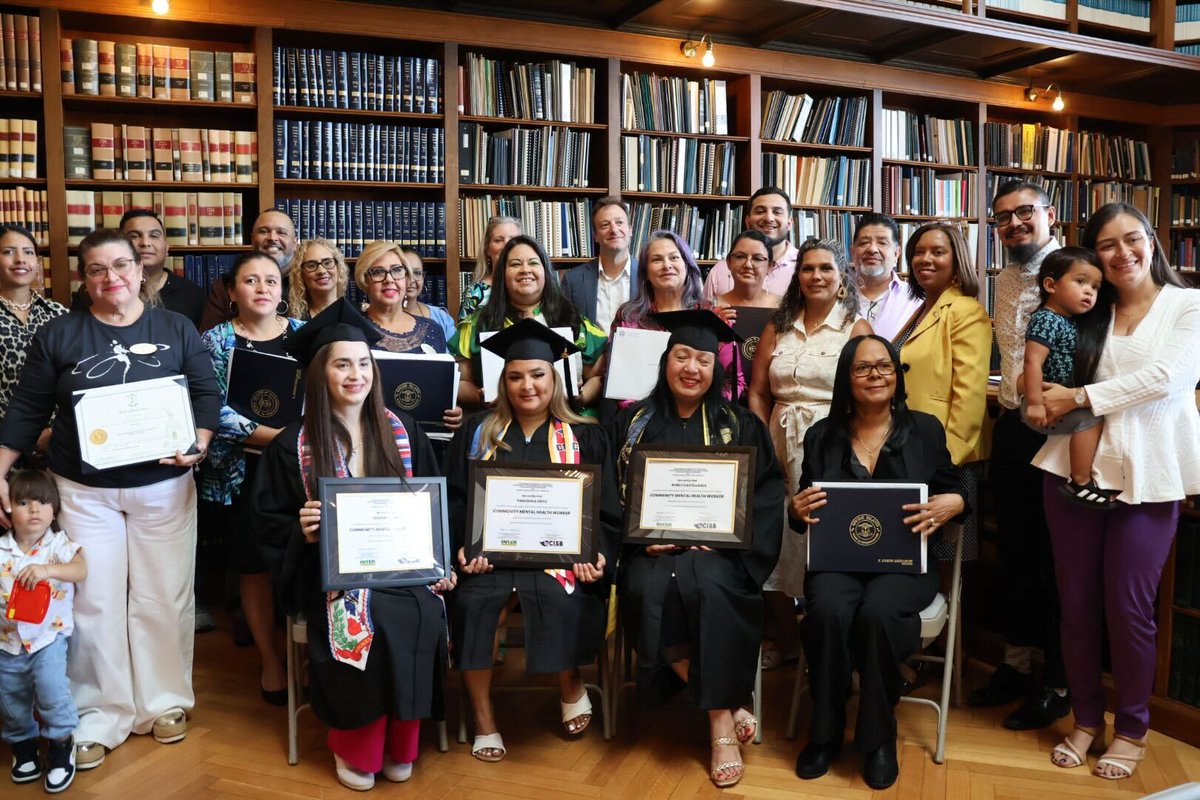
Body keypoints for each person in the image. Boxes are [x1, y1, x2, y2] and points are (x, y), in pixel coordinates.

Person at [0, 228, 220, 770]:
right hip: (83, 490)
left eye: (121, 265)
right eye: (97, 269)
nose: (111, 277)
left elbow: (205, 393)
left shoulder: (176, 327)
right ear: (85, 279)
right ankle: (99, 713)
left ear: (140, 271)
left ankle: (164, 702)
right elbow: (27, 407)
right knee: (92, 599)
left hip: (164, 487)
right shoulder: (59, 334)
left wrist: (198, 445)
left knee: (163, 595)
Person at [250, 300, 451, 791]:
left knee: (420, 609)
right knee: (367, 613)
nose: (355, 375)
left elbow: (434, 508)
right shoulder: (292, 444)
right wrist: (302, 531)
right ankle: (359, 746)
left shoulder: (403, 430)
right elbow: (268, 526)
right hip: (326, 575)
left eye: (363, 363)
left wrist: (440, 561)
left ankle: (402, 741)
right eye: (342, 364)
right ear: (320, 373)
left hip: (403, 568)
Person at [1035, 202, 1200, 781]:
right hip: (1071, 468)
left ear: (1152, 240)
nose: (1122, 253)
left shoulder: (1188, 304)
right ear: (1093, 255)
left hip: (1150, 474)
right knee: (1076, 604)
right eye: (1107, 244)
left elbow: (1169, 378)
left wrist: (1081, 397)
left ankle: (1132, 728)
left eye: (1132, 239)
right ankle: (1085, 719)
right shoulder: (1087, 307)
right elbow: (1046, 366)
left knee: (1130, 609)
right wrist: (1039, 397)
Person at [610, 310, 785, 790]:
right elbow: (610, 499)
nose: (691, 368)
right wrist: (642, 539)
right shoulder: (631, 424)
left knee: (712, 584)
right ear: (665, 361)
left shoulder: (740, 425)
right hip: (650, 554)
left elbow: (766, 496)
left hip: (719, 555)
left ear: (716, 369)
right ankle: (724, 712)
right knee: (648, 590)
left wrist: (728, 539)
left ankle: (717, 719)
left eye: (703, 360)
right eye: (682, 357)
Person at [790, 335, 966, 791]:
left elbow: (955, 486)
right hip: (838, 563)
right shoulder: (821, 436)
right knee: (829, 610)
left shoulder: (925, 429)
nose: (876, 375)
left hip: (903, 565)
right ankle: (825, 731)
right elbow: (804, 506)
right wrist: (797, 508)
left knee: (879, 613)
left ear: (896, 375)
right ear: (846, 378)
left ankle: (877, 736)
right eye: (863, 368)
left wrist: (956, 500)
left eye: (885, 366)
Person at [443, 320, 620, 762]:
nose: (527, 386)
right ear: (502, 382)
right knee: (474, 603)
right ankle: (483, 716)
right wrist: (464, 545)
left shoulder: (585, 435)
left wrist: (597, 552)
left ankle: (570, 681)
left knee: (560, 595)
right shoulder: (478, 432)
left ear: (554, 378)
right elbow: (457, 499)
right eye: (515, 376)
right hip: (491, 560)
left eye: (538, 374)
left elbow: (605, 508)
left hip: (559, 560)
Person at [972, 180, 1069, 730]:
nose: (1013, 223)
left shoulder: (1075, 271)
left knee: (1056, 562)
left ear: (1049, 213)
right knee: (1015, 553)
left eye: (1024, 212)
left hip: (1061, 432)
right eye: (1003, 217)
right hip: (1013, 428)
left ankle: (1056, 681)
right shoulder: (1005, 278)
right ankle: (1016, 664)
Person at [746, 238, 870, 670]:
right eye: (807, 268)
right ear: (797, 276)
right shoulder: (777, 326)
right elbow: (758, 392)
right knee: (774, 540)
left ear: (842, 277)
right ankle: (789, 638)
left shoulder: (856, 328)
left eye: (826, 268)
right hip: (777, 444)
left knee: (825, 542)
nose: (816, 276)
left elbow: (869, 398)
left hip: (833, 446)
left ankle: (831, 646)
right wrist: (764, 443)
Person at [198, 251, 305, 707]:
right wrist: (278, 437)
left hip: (301, 466)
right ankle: (271, 660)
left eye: (271, 281)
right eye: (251, 280)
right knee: (254, 565)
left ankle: (310, 655)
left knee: (305, 556)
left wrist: (294, 441)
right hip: (243, 469)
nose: (263, 288)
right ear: (232, 290)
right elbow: (210, 405)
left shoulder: (304, 333)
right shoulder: (214, 340)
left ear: (282, 290)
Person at [892, 222, 990, 563]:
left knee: (946, 558)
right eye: (918, 252)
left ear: (956, 259)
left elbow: (970, 394)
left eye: (937, 252)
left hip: (946, 455)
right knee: (911, 551)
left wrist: (945, 460)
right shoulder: (922, 310)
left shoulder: (966, 311)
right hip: (911, 449)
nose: (925, 259)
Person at [0, 470, 87, 793]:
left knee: (51, 689)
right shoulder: (2, 549)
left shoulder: (57, 545)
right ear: (9, 508)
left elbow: (80, 569)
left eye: (42, 502)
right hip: (7, 641)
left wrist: (48, 570)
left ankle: (62, 744)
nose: (34, 509)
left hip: (48, 637)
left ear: (54, 508)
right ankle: (23, 746)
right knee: (10, 698)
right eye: (24, 503)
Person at [452, 235, 607, 411]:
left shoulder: (572, 319)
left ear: (546, 272)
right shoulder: (478, 324)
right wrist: (478, 397)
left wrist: (581, 397)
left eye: (533, 263)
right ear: (503, 275)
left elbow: (598, 376)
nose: (525, 270)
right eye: (515, 264)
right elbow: (460, 381)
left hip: (565, 419)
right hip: (498, 420)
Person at [1020, 247, 1110, 505]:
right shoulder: (1047, 319)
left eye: (1095, 286)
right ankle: (1080, 481)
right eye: (1080, 282)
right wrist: (1035, 403)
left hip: (1060, 398)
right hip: (1042, 401)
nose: (1089, 291)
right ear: (1051, 285)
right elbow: (1032, 361)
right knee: (1091, 418)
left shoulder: (1069, 321)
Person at [612, 230, 743, 402]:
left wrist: (704, 409)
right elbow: (616, 378)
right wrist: (642, 413)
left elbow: (733, 382)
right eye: (657, 259)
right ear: (646, 273)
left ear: (687, 265)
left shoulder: (712, 316)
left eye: (674, 257)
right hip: (641, 412)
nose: (667, 265)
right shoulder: (629, 317)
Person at [358, 241, 463, 430]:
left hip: (425, 439)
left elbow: (440, 391)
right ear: (365, 280)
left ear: (406, 279)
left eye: (397, 270)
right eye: (378, 272)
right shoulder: (350, 327)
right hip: (368, 435)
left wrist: (453, 412)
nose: (389, 279)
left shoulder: (433, 330)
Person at [71, 210, 207, 328]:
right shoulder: (92, 293)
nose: (145, 243)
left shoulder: (192, 294)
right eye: (134, 236)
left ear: (166, 247)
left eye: (154, 236)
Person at [0, 224, 67, 425]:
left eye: (28, 252)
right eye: (8, 252)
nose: (20, 259)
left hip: (61, 434)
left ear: (37, 263)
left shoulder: (59, 314)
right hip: (7, 436)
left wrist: (53, 431)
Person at [201, 209, 298, 330]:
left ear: (295, 243)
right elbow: (209, 336)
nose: (272, 238)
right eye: (263, 231)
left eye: (282, 232)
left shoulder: (307, 281)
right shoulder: (226, 285)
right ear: (252, 240)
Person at [702, 187, 798, 302]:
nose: (768, 218)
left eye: (777, 212)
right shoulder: (720, 271)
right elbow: (704, 311)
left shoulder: (805, 267)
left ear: (789, 223)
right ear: (747, 221)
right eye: (760, 211)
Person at [561, 197, 639, 333]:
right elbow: (565, 329)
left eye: (619, 222)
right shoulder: (573, 280)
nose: (614, 229)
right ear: (595, 235)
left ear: (630, 229)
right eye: (605, 225)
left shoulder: (647, 277)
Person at [850, 213, 921, 341]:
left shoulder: (916, 300)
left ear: (896, 253)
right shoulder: (835, 298)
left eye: (882, 243)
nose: (872, 249)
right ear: (853, 252)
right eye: (864, 242)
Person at [459, 216, 521, 321]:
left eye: (513, 240)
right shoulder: (475, 293)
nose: (506, 245)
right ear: (487, 248)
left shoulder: (531, 287)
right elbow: (465, 331)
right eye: (498, 240)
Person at [712, 229, 782, 313]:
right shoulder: (713, 307)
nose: (748, 265)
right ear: (729, 262)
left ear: (770, 266)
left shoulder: (783, 306)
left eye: (757, 259)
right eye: (740, 257)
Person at [401, 247, 456, 344]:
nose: (412, 280)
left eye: (417, 273)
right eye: (405, 273)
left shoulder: (441, 317)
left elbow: (455, 352)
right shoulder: (381, 317)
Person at [287, 237, 348, 320]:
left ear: (339, 267)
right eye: (311, 265)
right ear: (300, 274)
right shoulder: (294, 321)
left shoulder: (357, 315)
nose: (321, 271)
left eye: (327, 263)